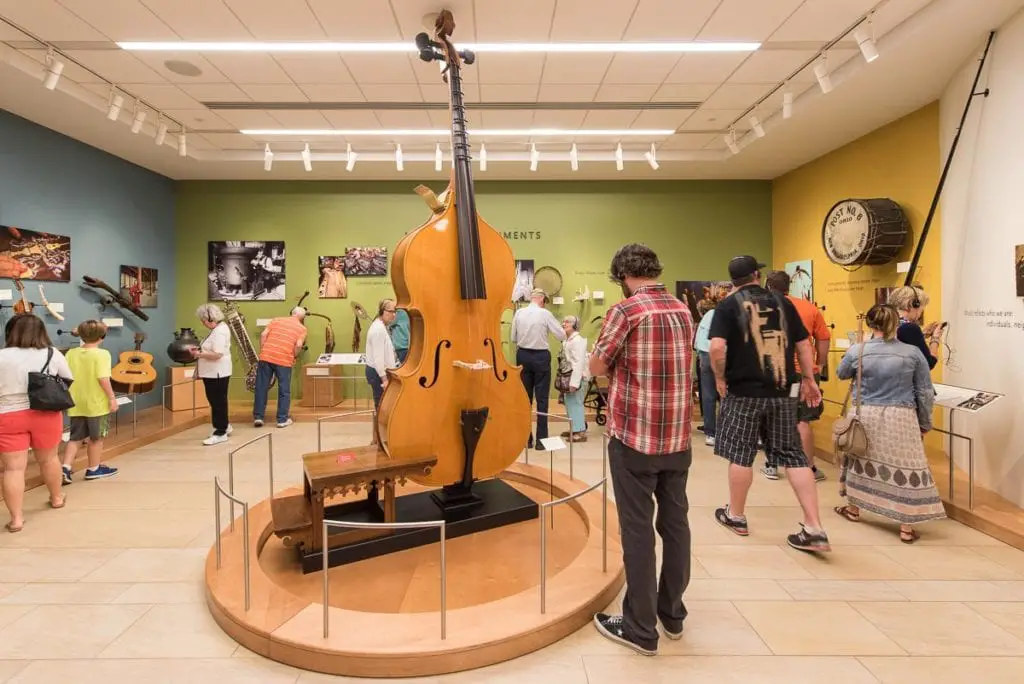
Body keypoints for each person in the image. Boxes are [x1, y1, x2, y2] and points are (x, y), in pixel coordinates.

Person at [589, 243, 694, 656]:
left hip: (635, 436)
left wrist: (612, 363)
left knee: (636, 529)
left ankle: (639, 627)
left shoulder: (626, 310)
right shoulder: (683, 308)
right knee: (676, 525)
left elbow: (597, 365)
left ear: (621, 276)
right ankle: (672, 613)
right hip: (678, 436)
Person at [709, 256, 830, 553]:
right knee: (793, 453)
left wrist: (720, 378)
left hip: (744, 391)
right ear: (756, 274)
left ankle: (736, 516)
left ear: (733, 280)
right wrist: (808, 379)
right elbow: (803, 343)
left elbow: (716, 347)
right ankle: (814, 527)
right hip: (782, 389)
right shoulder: (782, 302)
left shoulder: (727, 306)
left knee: (741, 452)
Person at [834, 304, 945, 542]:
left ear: (870, 324)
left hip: (866, 414)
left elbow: (841, 373)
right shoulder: (912, 353)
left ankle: (854, 509)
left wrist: (857, 352)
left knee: (861, 460)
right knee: (906, 467)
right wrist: (925, 421)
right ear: (896, 324)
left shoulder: (858, 351)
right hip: (901, 416)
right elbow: (924, 391)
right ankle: (906, 526)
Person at [0, 314, 73, 532]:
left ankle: (16, 519)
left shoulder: (1, 356)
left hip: (8, 415)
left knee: (13, 469)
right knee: (49, 459)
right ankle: (57, 497)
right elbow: (68, 379)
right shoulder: (52, 353)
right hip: (45, 413)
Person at [762, 270, 831, 483]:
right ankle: (809, 467)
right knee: (802, 419)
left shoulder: (763, 307)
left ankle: (772, 465)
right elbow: (823, 338)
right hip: (804, 373)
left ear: (767, 285)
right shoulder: (809, 308)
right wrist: (820, 363)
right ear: (788, 286)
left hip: (776, 372)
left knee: (773, 417)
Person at [61, 320, 118, 484]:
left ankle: (65, 467)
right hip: (96, 404)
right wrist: (112, 398)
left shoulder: (71, 353)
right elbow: (103, 379)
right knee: (96, 438)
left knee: (75, 437)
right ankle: (94, 468)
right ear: (102, 337)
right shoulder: (102, 354)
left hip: (76, 401)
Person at [511, 288, 565, 447]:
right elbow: (561, 335)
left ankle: (525, 439)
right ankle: (541, 441)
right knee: (542, 399)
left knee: (524, 399)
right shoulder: (545, 314)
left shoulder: (519, 313)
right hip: (541, 356)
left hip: (522, 356)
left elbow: (513, 337)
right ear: (542, 299)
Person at [253, 306, 306, 429]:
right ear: (302, 318)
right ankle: (282, 419)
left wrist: (263, 350)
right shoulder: (302, 328)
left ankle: (258, 417)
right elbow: (298, 345)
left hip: (266, 357)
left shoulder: (276, 320)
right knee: (284, 390)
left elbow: (263, 334)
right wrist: (294, 355)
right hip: (284, 360)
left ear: (291, 313)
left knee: (261, 387)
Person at [192, 304, 233, 446]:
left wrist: (198, 354)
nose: (202, 323)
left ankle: (220, 432)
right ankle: (225, 426)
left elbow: (217, 354)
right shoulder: (217, 329)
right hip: (213, 372)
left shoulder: (220, 331)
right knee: (217, 401)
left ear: (209, 318)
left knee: (217, 403)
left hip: (217, 372)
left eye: (203, 320)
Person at [888, 285, 941, 369]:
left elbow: (901, 342)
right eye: (921, 308)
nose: (920, 313)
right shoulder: (910, 328)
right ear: (914, 304)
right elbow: (928, 364)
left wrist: (921, 334)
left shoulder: (885, 323)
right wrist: (935, 339)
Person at [558, 315, 589, 442]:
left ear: (575, 325)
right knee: (570, 403)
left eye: (568, 322)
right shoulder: (569, 340)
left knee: (576, 403)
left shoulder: (577, 340)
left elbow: (579, 362)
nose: (564, 323)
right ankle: (575, 428)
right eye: (564, 321)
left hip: (577, 377)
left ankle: (580, 432)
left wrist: (574, 383)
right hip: (569, 375)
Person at [693, 298, 718, 447]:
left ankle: (711, 433)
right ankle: (723, 431)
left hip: (705, 355)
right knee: (723, 394)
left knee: (708, 395)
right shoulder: (719, 315)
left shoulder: (707, 317)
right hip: (718, 355)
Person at [365, 299, 398, 409]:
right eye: (392, 311)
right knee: (381, 405)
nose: (394, 315)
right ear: (383, 311)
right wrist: (384, 379)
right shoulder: (378, 330)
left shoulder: (381, 326)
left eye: (395, 311)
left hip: (379, 372)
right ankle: (379, 426)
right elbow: (378, 357)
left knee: (382, 403)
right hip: (377, 373)